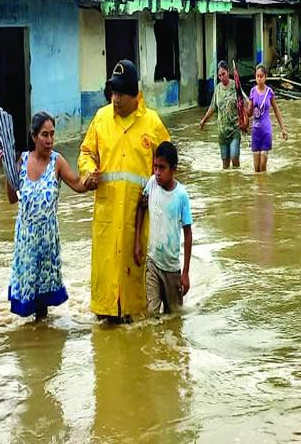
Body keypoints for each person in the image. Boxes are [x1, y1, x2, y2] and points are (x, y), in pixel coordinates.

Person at [78, 59, 171, 322]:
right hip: (107, 216)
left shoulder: (151, 123)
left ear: (135, 95)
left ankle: (134, 314)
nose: (115, 99)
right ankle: (106, 313)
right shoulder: (101, 118)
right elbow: (86, 152)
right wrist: (89, 171)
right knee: (106, 295)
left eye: (120, 94)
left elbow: (169, 164)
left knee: (137, 302)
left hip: (139, 217)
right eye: (112, 93)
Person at [0, 112, 90, 320]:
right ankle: (34, 340)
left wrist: (92, 181)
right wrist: (8, 170)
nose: (49, 140)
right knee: (27, 296)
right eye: (44, 135)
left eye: (52, 135)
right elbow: (12, 198)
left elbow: (77, 184)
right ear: (33, 136)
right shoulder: (21, 160)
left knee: (43, 304)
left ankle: (42, 332)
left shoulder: (57, 162)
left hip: (47, 238)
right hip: (26, 239)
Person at [133, 141, 193, 316]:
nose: (157, 173)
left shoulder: (181, 195)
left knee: (173, 316)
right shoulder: (151, 184)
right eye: (155, 167)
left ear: (173, 169)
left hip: (172, 268)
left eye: (162, 168)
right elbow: (141, 207)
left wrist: (186, 273)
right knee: (152, 313)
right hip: (152, 262)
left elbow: (188, 234)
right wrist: (137, 241)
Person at [198, 60, 243, 168]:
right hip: (222, 132)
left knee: (234, 158)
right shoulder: (217, 88)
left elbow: (243, 105)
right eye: (219, 75)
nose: (222, 77)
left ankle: (238, 182)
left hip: (235, 130)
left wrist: (246, 121)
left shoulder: (235, 86)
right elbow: (212, 106)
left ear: (228, 72)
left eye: (223, 74)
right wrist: (203, 120)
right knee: (225, 165)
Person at [248, 64, 287, 173]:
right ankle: (258, 189)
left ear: (265, 77)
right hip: (255, 131)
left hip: (266, 131)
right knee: (256, 169)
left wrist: (283, 129)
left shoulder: (270, 92)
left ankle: (264, 189)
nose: (259, 79)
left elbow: (276, 110)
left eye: (261, 76)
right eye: (257, 76)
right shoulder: (252, 92)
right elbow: (249, 113)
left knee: (263, 165)